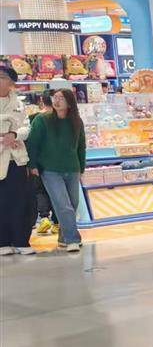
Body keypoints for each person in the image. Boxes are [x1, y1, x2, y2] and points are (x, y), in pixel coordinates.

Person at [27, 88, 88, 253]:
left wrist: (81, 167)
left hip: (72, 168)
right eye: (55, 97)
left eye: (61, 98)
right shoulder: (42, 120)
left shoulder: (76, 121)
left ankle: (63, 238)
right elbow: (33, 143)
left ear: (70, 102)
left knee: (72, 204)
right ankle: (72, 239)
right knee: (63, 205)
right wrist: (32, 165)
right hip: (49, 170)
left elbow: (81, 146)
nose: (57, 101)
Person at [0, 66, 35, 256]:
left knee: (20, 201)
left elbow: (26, 128)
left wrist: (14, 134)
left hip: (17, 159)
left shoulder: (19, 104)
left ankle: (22, 241)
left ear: (11, 82)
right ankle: (3, 242)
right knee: (2, 202)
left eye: (2, 77)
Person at [31, 91, 56, 236]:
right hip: (58, 162)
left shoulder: (35, 118)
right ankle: (57, 222)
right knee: (57, 191)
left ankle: (44, 218)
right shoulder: (62, 117)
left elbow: (32, 142)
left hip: (40, 161)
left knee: (40, 191)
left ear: (42, 100)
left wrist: (32, 163)